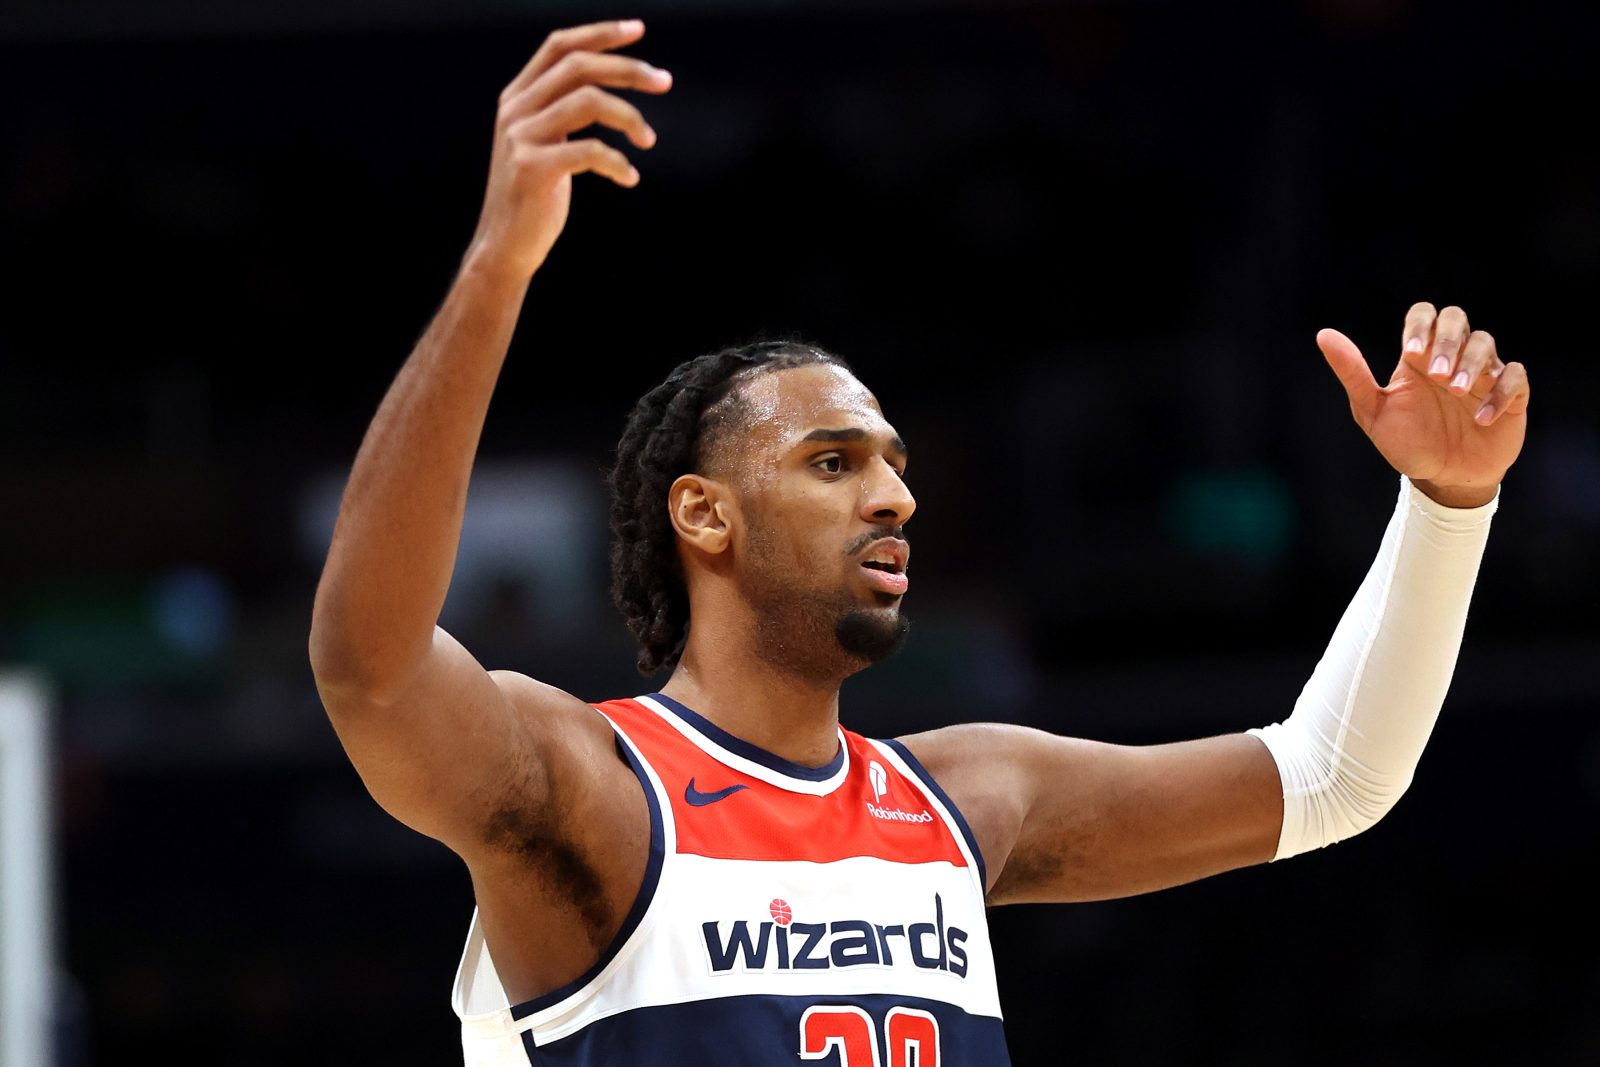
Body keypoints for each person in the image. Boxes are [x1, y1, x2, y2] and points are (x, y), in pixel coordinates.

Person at [308, 19, 1532, 1065]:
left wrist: (1446, 504)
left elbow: (1330, 777)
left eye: (895, 463)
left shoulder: (966, 796)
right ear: (704, 514)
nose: (892, 496)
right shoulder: (596, 788)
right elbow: (372, 667)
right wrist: (499, 265)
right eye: (832, 462)